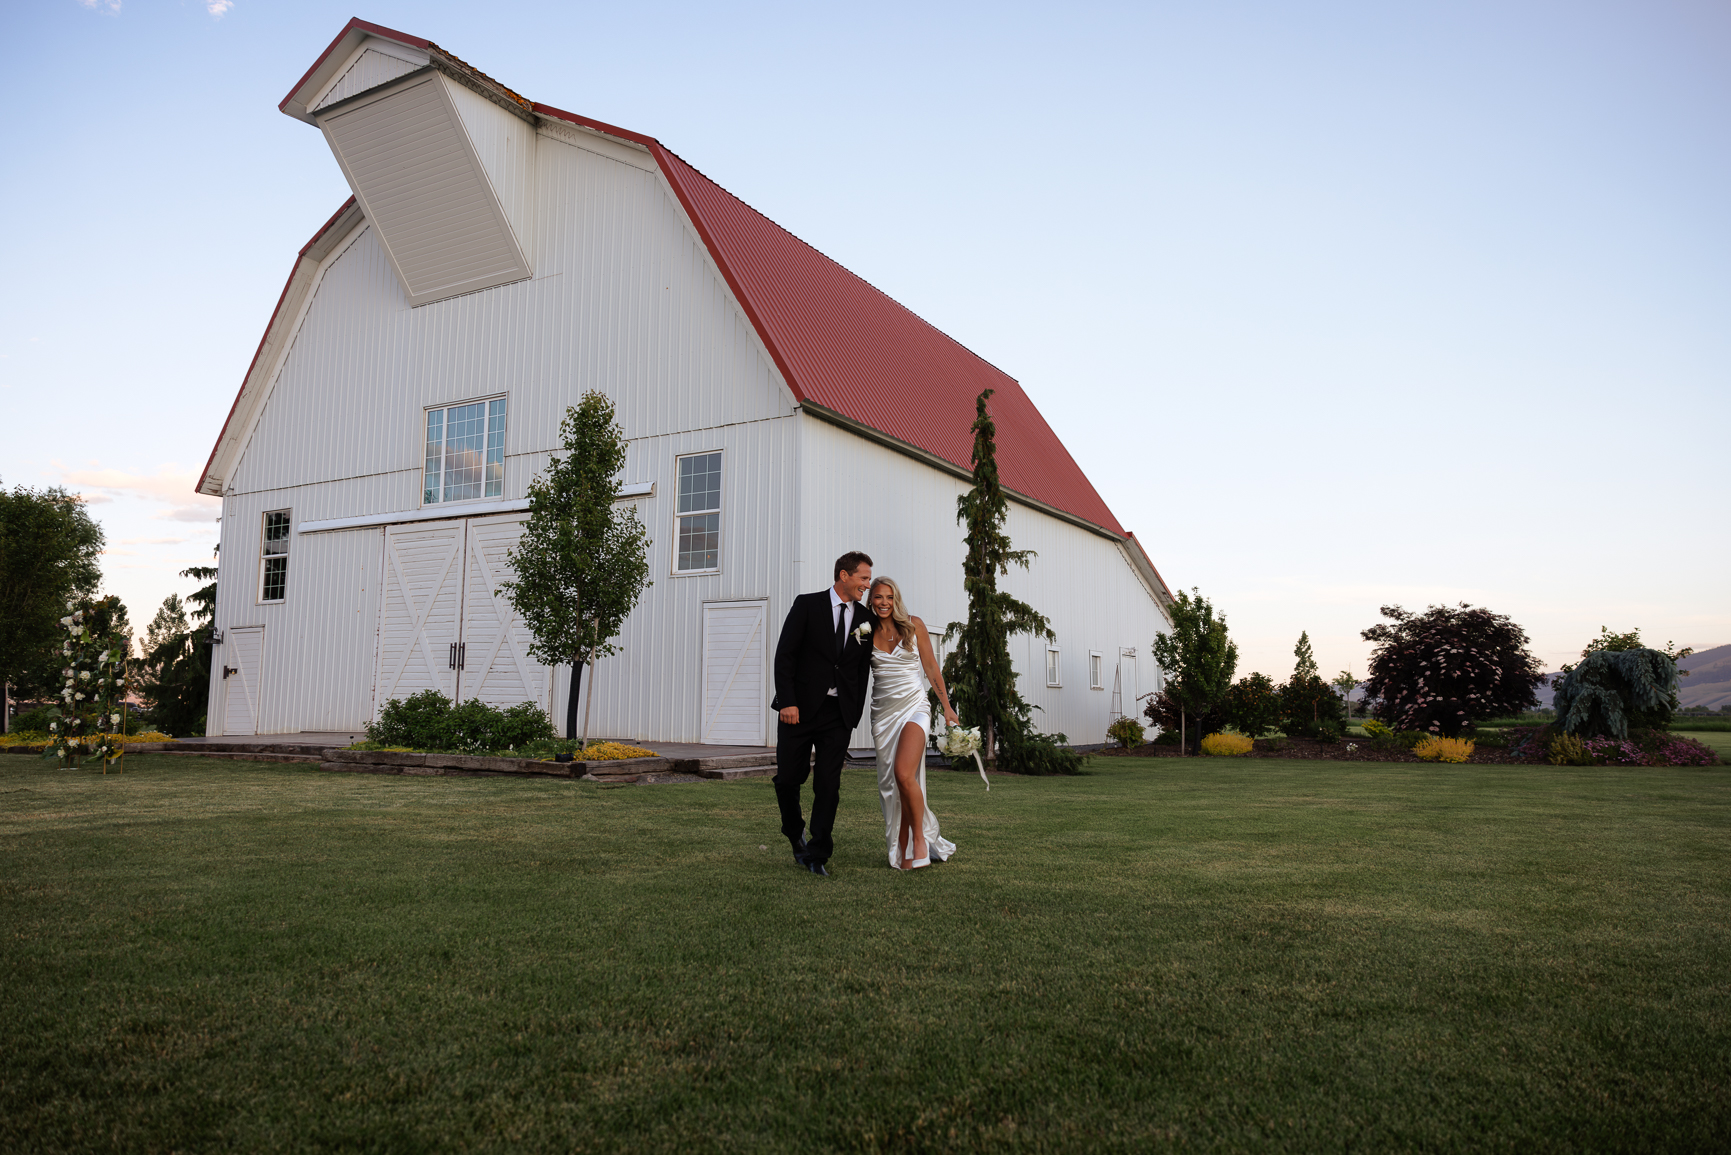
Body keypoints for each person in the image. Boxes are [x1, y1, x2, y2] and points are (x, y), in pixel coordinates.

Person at [771, 551, 875, 877]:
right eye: (863, 578)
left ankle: (818, 854)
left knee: (828, 785)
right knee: (789, 779)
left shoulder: (865, 619)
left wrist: (852, 713)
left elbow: (859, 670)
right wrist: (787, 702)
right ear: (844, 575)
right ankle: (793, 830)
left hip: (837, 715)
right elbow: (784, 655)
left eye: (869, 580)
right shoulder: (806, 604)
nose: (867, 585)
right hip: (798, 711)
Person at [864, 577, 959, 870]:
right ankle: (901, 845)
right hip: (883, 714)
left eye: (889, 597)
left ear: (897, 600)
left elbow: (931, 668)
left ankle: (919, 840)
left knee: (905, 774)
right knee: (893, 783)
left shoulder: (913, 625)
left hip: (915, 706)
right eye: (878, 597)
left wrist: (947, 708)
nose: (884, 603)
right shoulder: (863, 632)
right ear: (871, 601)